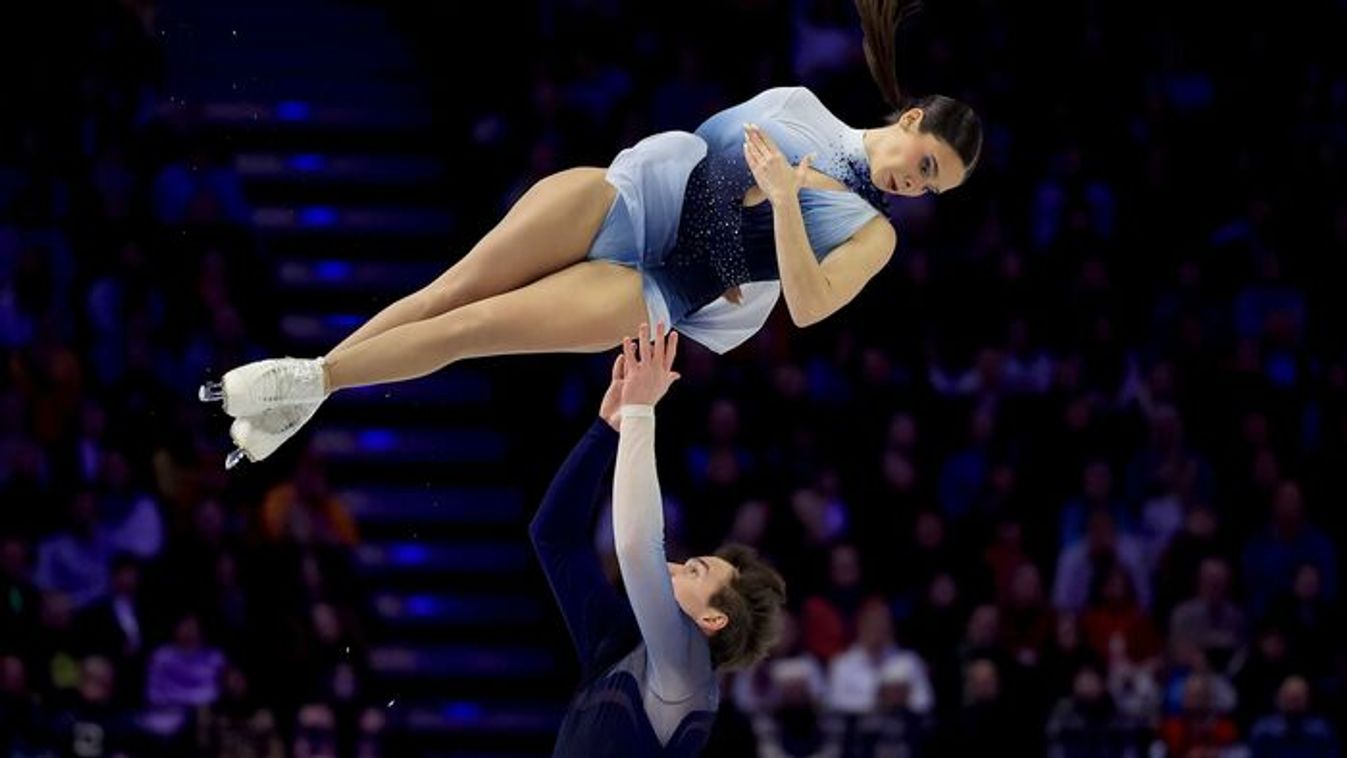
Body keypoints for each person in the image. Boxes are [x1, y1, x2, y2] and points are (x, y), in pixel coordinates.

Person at [200, 0, 983, 467]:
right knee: (447, 292)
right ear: (910, 120)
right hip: (628, 196)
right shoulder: (797, 103)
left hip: (658, 283)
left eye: (932, 187)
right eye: (923, 164)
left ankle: (306, 382)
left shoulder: (873, 235)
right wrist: (755, 201)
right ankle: (308, 391)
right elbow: (704, 151)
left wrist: (781, 200)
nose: (914, 186)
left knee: (472, 328)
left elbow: (807, 308)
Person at [532, 323, 786, 756]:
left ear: (713, 619)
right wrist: (605, 430)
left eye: (693, 571)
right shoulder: (619, 641)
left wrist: (640, 411)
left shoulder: (690, 672)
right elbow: (555, 536)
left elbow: (636, 547)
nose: (672, 566)